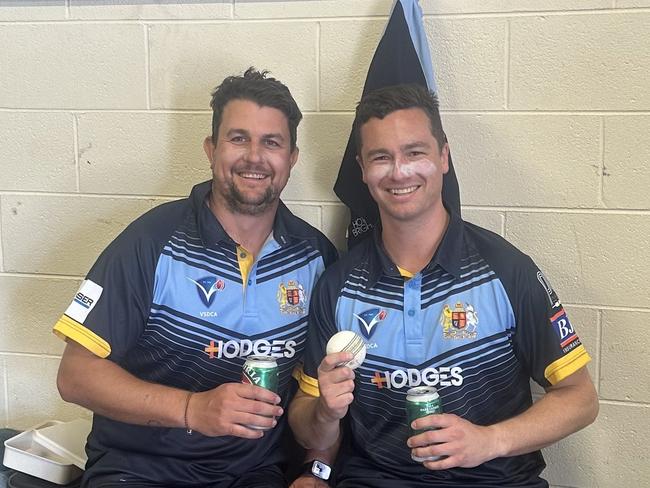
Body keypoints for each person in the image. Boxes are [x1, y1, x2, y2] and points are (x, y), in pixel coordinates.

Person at [289, 84, 599, 487]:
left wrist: (490, 440)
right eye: (381, 157)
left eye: (414, 152)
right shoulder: (337, 285)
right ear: (362, 169)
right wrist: (324, 417)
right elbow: (307, 424)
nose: (399, 171)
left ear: (444, 157)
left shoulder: (506, 269)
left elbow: (580, 399)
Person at [54, 67, 337, 488]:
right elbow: (75, 376)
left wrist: (317, 472)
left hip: (254, 474)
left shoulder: (316, 258)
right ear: (211, 149)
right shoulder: (151, 242)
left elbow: (321, 396)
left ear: (291, 158)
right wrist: (192, 409)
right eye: (238, 138)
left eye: (271, 142)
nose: (254, 157)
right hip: (139, 470)